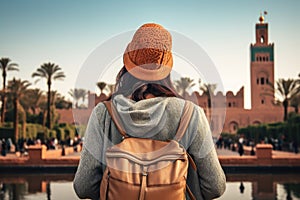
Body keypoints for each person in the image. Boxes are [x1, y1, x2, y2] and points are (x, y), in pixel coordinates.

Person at [73, 23, 226, 200]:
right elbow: (215, 187)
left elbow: (84, 187)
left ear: (127, 65)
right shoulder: (191, 115)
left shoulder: (103, 114)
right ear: (167, 68)